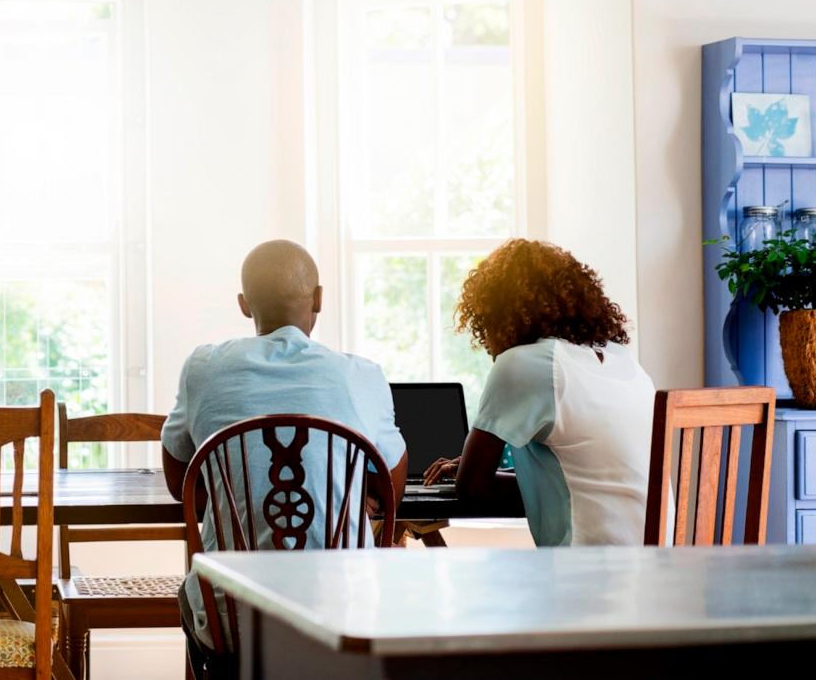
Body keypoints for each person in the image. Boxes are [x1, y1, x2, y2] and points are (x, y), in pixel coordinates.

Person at [160, 240, 407, 673]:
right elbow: (391, 484)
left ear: (243, 304)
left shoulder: (203, 368)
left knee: (191, 594)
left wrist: (230, 504)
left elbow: (179, 478)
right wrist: (350, 496)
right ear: (319, 299)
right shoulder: (360, 375)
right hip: (344, 615)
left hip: (232, 623)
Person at [423, 239, 657, 547]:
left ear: (498, 313)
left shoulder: (527, 364)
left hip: (587, 578)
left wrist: (467, 468)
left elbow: (472, 488)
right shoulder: (625, 362)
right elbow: (587, 479)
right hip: (658, 571)